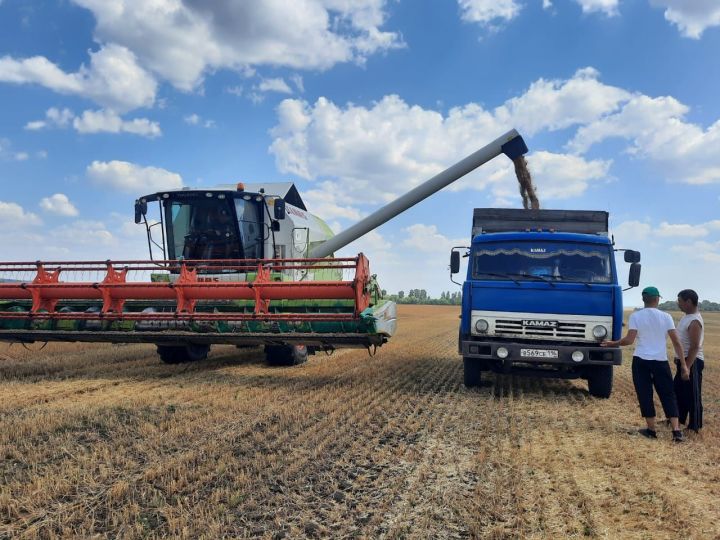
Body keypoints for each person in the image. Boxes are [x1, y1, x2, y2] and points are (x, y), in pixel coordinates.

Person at [601, 286, 687, 442]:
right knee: (668, 394)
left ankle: (651, 430)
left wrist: (613, 343)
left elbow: (629, 340)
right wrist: (684, 365)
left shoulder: (636, 316)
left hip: (641, 361)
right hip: (660, 361)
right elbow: (676, 342)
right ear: (657, 299)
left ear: (643, 299)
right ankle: (676, 431)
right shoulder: (666, 317)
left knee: (645, 394)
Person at [674, 289, 704, 433]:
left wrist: (687, 367)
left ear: (689, 302)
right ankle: (677, 420)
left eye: (680, 301)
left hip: (693, 361)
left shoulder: (694, 321)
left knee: (692, 394)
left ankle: (694, 425)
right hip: (683, 361)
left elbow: (694, 346)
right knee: (679, 391)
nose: (678, 304)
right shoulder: (686, 317)